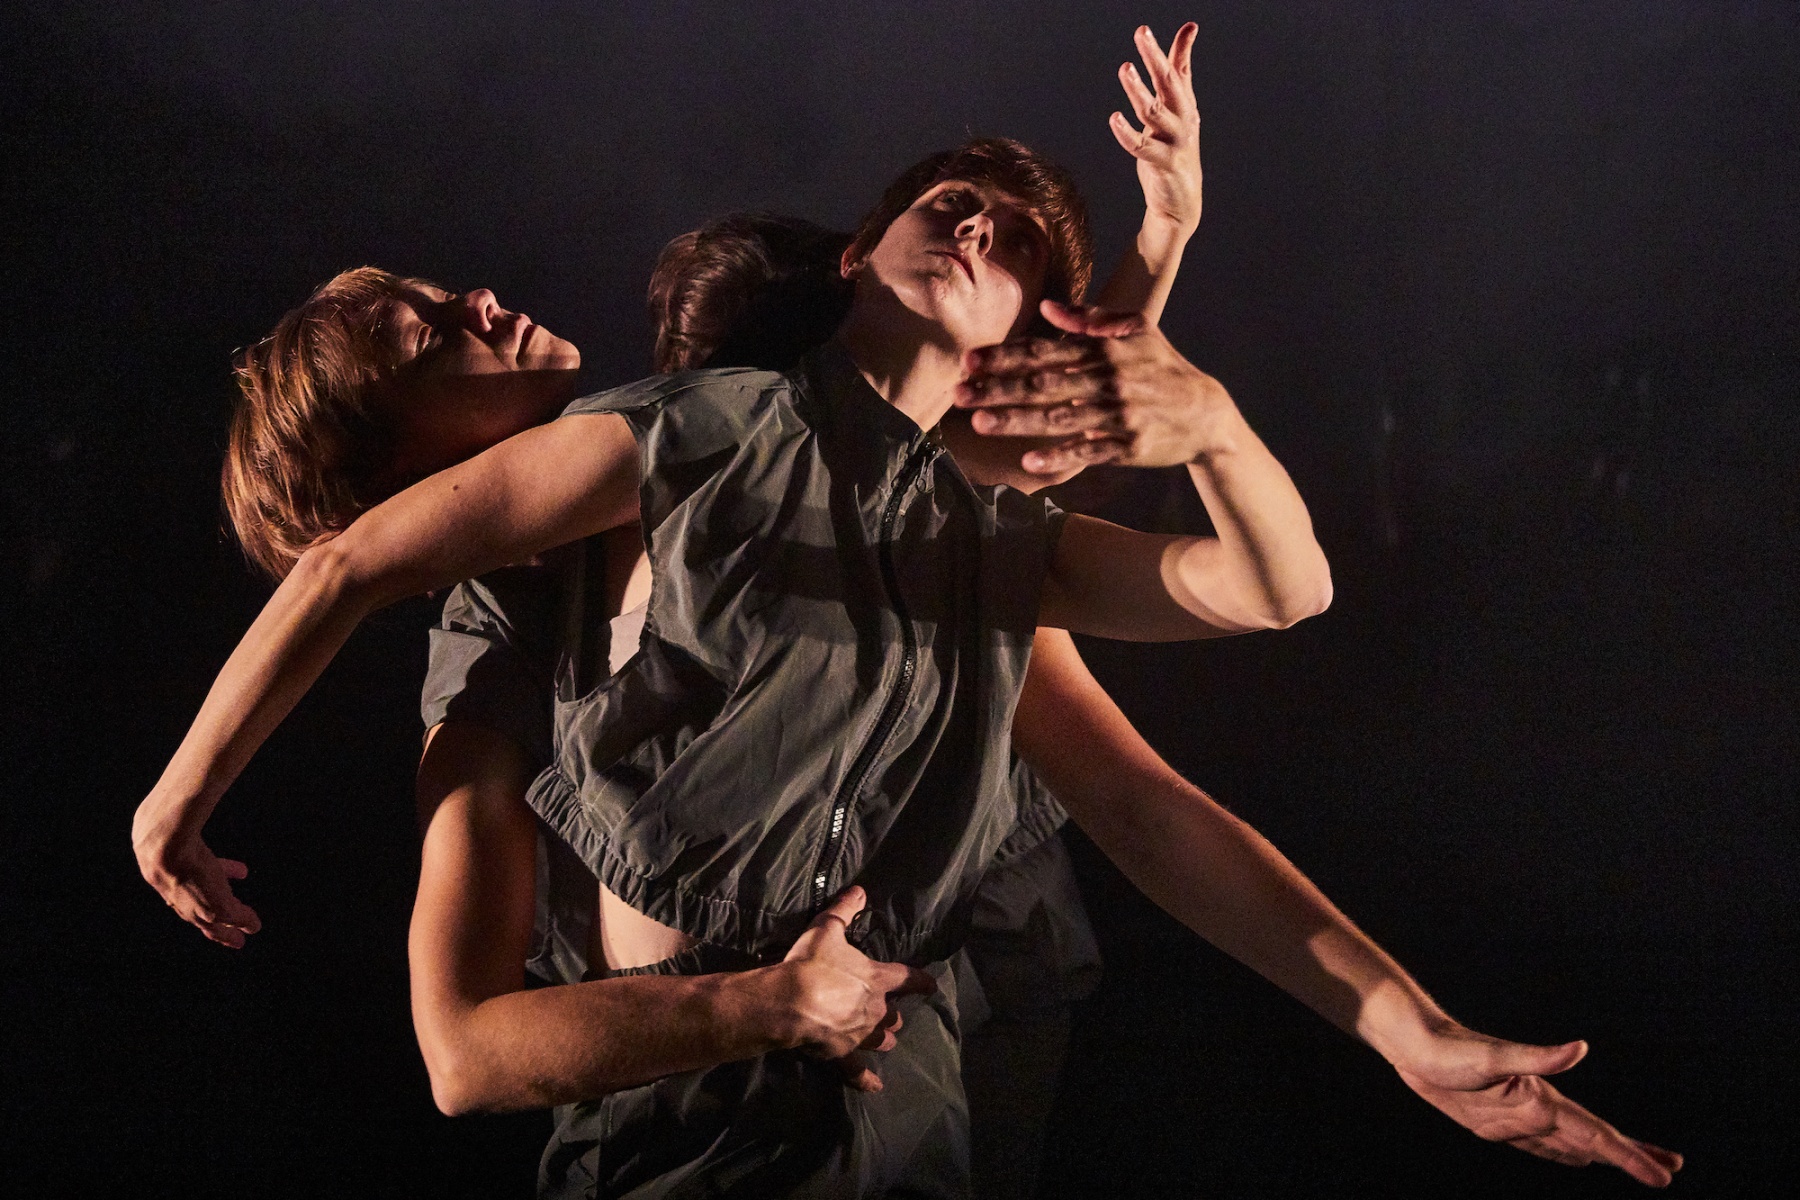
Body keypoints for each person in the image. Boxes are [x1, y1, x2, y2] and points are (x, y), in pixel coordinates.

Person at [131, 23, 1678, 1195]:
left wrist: (1164, 288)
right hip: (693, 1093)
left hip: (906, 1043)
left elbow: (1023, 461)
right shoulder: (530, 591)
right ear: (396, 475)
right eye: (425, 340)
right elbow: (465, 1044)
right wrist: (177, 801)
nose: (477, 300)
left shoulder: (799, 464)